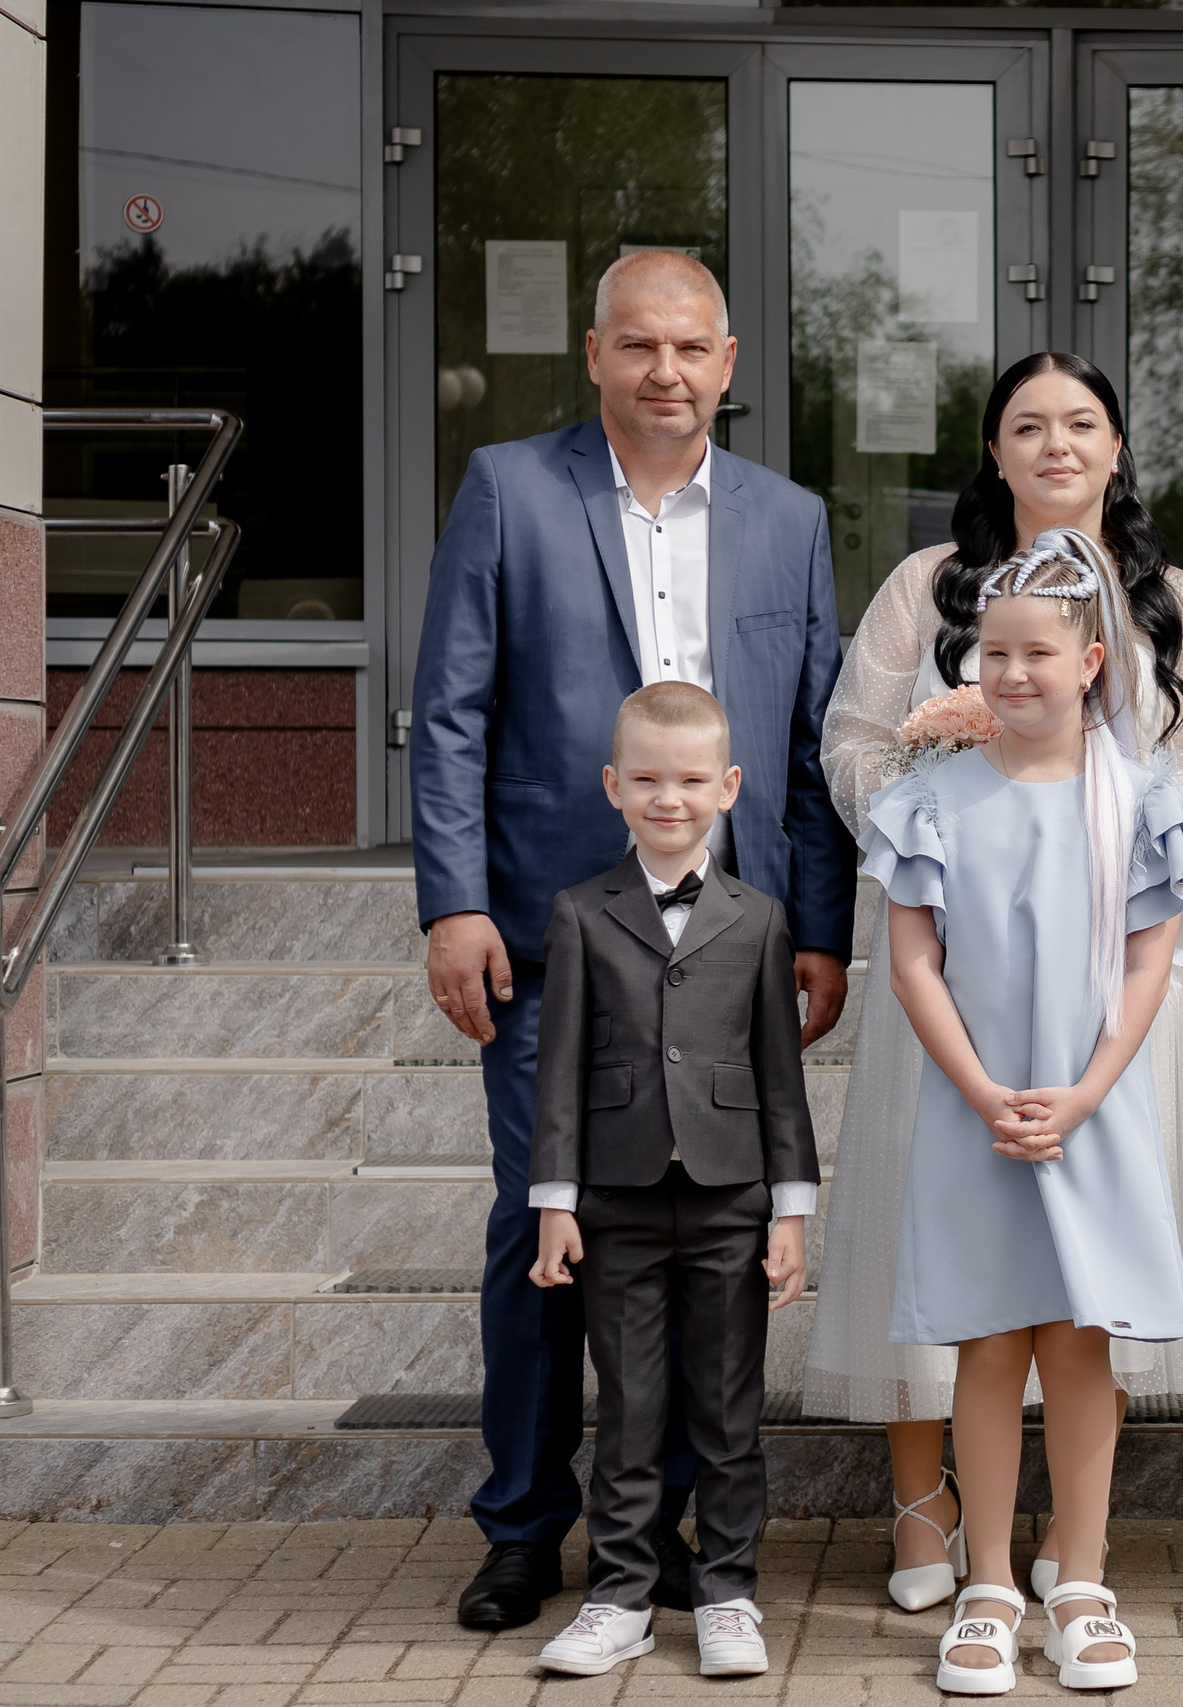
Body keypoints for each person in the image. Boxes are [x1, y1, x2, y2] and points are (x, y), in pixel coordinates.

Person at [411, 249, 857, 1630]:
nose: (667, 370)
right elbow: (450, 710)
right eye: (639, 344)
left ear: (729, 364)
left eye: (691, 347)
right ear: (596, 353)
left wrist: (820, 926)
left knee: (693, 1234)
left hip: (727, 945)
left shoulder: (789, 518)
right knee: (543, 1222)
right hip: (549, 934)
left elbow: (809, 738)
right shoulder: (509, 488)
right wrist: (452, 901)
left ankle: (659, 1529)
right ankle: (522, 1523)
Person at [803, 351, 1183, 1612]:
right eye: (1027, 425)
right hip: (962, 949)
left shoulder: (1171, 599)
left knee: (1087, 1251)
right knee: (937, 1228)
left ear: (1116, 446)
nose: (1056, 444)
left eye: (1081, 423)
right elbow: (853, 738)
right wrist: (938, 769)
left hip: (1123, 951)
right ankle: (923, 1508)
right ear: (994, 450)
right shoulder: (927, 585)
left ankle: (1072, 1531)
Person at [868, 533, 1183, 1695]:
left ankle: (1080, 1584)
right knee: (986, 1340)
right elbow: (913, 963)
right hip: (977, 1110)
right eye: (995, 653)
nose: (1014, 673)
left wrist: (1088, 1089)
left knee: (1078, 1342)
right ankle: (987, 1586)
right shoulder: (933, 796)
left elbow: (1148, 963)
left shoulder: (1140, 799)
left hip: (1089, 1106)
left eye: (1038, 654)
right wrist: (982, 1093)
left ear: (1092, 662)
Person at [523, 683, 817, 1679]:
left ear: (727, 786)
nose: (669, 798)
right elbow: (558, 1071)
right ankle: (619, 1596)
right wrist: (555, 1203)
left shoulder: (760, 919)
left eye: (691, 780)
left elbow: (780, 1075)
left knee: (729, 1411)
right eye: (647, 778)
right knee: (629, 1409)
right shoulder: (579, 914)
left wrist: (791, 1211)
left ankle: (729, 1592)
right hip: (618, 1201)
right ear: (613, 785)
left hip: (733, 1199)